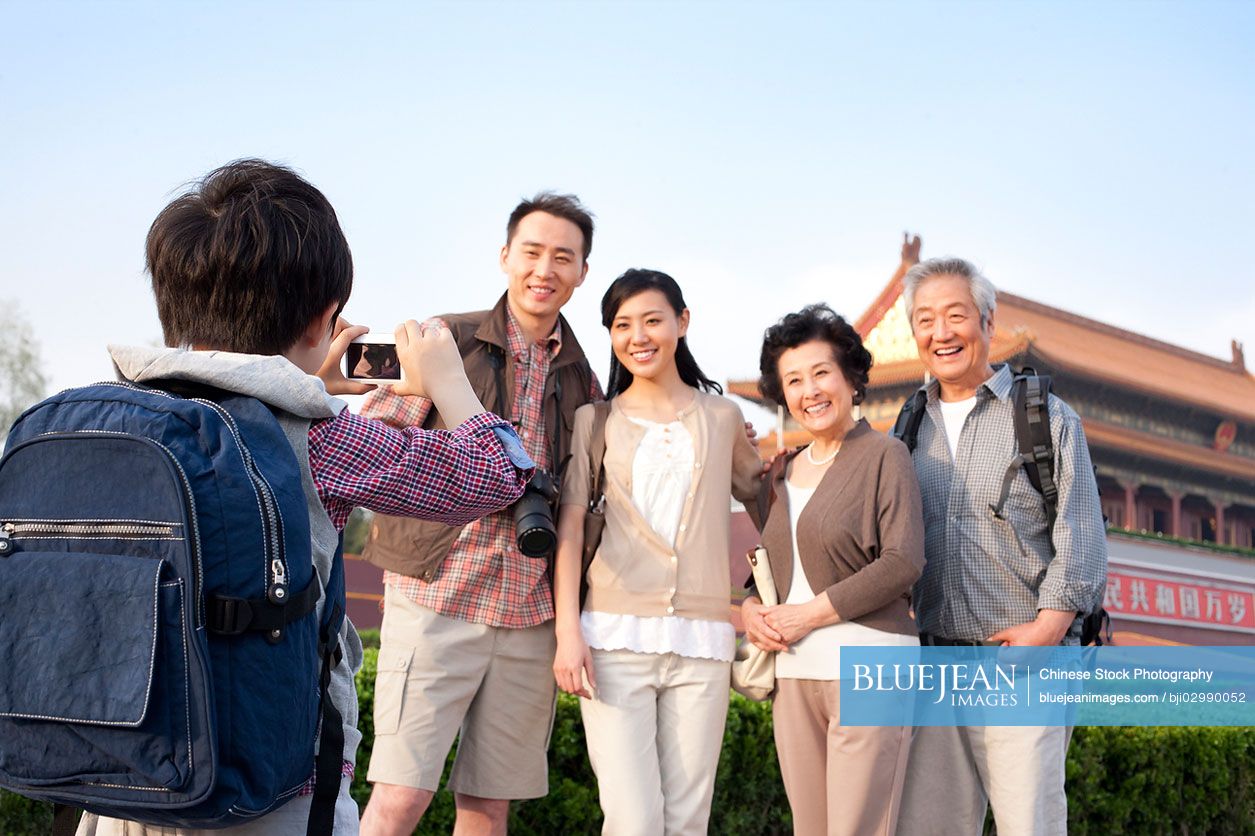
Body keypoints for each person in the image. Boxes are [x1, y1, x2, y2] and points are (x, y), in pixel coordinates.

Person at [77, 159, 534, 835]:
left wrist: (304, 378)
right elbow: (497, 471)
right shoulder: (319, 441)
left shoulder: (105, 421)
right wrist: (449, 382)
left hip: (118, 773)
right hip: (264, 783)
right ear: (324, 319)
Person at [358, 193, 601, 836]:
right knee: (400, 797)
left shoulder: (584, 378)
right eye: (531, 252)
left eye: (563, 257)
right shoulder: (445, 337)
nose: (544, 269)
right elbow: (371, 435)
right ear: (505, 258)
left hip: (529, 614)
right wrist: (457, 471)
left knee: (489, 807)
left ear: (581, 273)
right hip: (436, 594)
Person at [893, 257, 1107, 836]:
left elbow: (1081, 535)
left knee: (1028, 825)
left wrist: (1045, 631)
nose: (941, 333)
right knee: (926, 827)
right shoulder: (907, 429)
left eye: (955, 315)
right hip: (937, 664)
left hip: (1025, 661)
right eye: (925, 320)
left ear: (988, 322)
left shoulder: (1046, 418)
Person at [552, 269, 764, 836]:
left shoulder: (723, 418)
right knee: (632, 819)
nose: (638, 336)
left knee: (688, 819)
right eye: (622, 325)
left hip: (703, 643)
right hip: (613, 641)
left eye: (652, 320)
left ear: (682, 323)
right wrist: (567, 634)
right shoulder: (594, 420)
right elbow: (570, 529)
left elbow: (765, 492)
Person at [740, 304, 924, 836]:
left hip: (869, 665)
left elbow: (903, 560)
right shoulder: (781, 471)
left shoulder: (886, 455)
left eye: (821, 373)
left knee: (860, 829)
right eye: (794, 380)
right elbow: (766, 572)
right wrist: (751, 610)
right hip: (794, 674)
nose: (810, 391)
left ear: (850, 378)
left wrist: (808, 617)